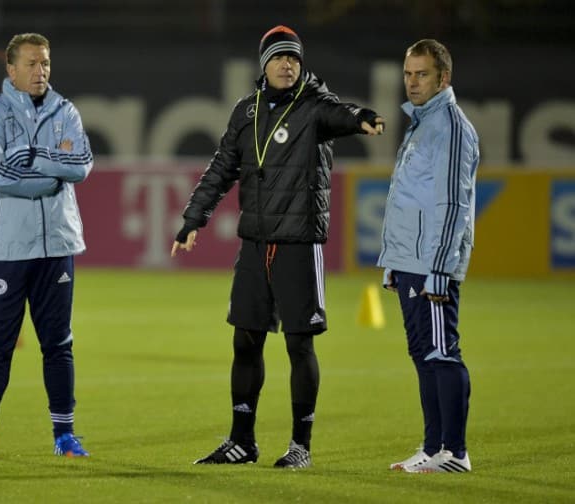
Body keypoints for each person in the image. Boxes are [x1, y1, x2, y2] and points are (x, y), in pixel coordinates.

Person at [171, 25, 385, 469]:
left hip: (298, 244)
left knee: (299, 346)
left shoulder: (315, 108)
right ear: (263, 64)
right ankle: (241, 442)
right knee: (245, 342)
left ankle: (300, 446)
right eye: (279, 57)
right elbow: (222, 167)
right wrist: (194, 219)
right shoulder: (245, 112)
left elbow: (340, 114)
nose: (287, 64)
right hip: (255, 244)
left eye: (294, 58)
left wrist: (360, 115)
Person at [0, 33, 93, 458]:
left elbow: (81, 166)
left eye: (45, 62)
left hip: (58, 245)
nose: (40, 71)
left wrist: (32, 157)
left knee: (58, 344)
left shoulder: (67, 112)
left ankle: (65, 437)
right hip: (9, 248)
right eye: (31, 63)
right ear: (10, 70)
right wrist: (53, 170)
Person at [377, 39, 479, 473]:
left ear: (444, 78)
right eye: (408, 73)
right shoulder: (423, 124)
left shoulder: (452, 127)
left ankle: (454, 452)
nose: (412, 82)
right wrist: (393, 262)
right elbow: (410, 199)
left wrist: (439, 267)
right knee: (423, 352)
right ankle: (433, 446)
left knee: (441, 353)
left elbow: (452, 204)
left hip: (431, 264)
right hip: (410, 262)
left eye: (422, 74)